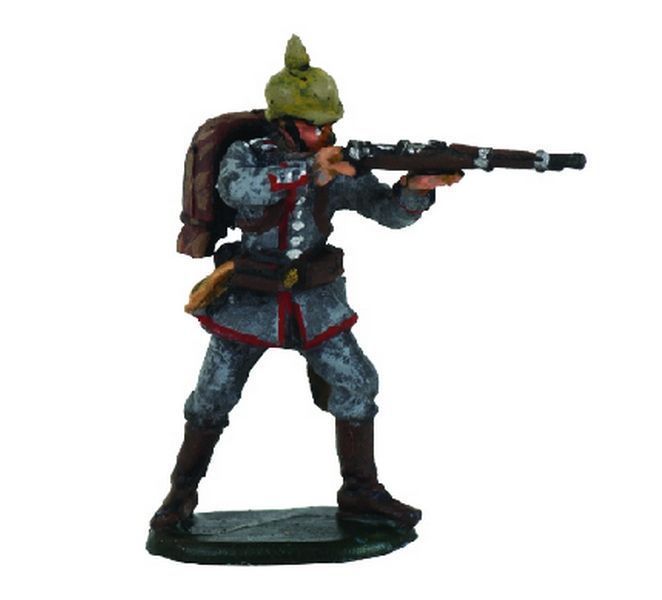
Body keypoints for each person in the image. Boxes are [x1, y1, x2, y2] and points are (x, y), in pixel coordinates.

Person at [151, 35, 462, 531]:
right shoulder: (249, 155)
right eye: (315, 126)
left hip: (314, 302)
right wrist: (308, 169)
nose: (325, 134)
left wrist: (413, 190)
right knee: (213, 395)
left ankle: (360, 492)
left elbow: (386, 213)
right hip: (248, 298)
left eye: (329, 126)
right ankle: (179, 497)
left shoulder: (336, 162)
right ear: (285, 124)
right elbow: (236, 188)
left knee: (357, 381)